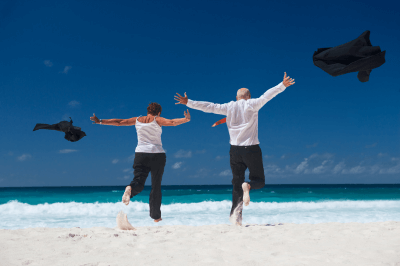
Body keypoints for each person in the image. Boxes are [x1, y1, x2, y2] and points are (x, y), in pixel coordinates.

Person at [175, 73, 295, 225]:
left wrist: (188, 102)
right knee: (259, 181)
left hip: (234, 151)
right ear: (249, 96)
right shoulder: (253, 104)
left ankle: (235, 218)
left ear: (237, 97)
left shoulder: (228, 107)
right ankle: (249, 186)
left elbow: (209, 107)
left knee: (236, 184)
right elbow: (267, 95)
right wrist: (282, 85)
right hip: (251, 148)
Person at [90, 103, 191, 222]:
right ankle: (156, 217)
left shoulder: (137, 119)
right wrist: (186, 119)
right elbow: (173, 122)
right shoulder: (158, 119)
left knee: (139, 181)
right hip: (157, 155)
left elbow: (119, 122)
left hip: (141, 154)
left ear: (148, 111)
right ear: (159, 112)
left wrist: (100, 121)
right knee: (156, 186)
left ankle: (130, 188)